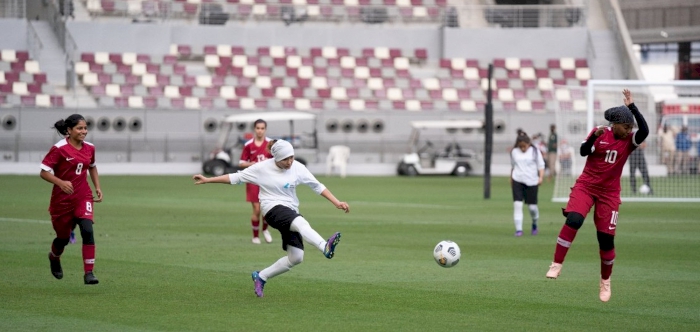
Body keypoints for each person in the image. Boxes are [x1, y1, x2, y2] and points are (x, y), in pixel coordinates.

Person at [192, 139, 349, 298]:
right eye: (285, 159)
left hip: (290, 211)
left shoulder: (298, 167)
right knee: (301, 222)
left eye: (291, 157)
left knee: (296, 257)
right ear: (276, 158)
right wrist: (207, 180)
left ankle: (261, 276)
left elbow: (317, 186)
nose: (289, 162)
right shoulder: (261, 168)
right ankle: (325, 247)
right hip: (271, 209)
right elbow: (235, 178)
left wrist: (336, 202)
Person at [545, 89, 649, 302]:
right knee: (574, 219)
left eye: (631, 127)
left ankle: (605, 281)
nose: (629, 130)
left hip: (609, 194)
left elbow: (645, 130)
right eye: (626, 126)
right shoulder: (600, 133)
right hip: (586, 186)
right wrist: (593, 136)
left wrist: (632, 107)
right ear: (614, 125)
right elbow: (584, 151)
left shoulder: (629, 140)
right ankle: (556, 264)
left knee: (606, 240)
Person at [40, 114, 103, 285]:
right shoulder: (59, 148)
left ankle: (89, 273)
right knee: (63, 238)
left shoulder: (90, 148)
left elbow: (92, 166)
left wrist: (97, 186)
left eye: (85, 128)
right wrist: (60, 182)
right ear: (69, 130)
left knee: (87, 230)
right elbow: (44, 172)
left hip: (83, 196)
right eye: (80, 128)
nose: (84, 131)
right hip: (62, 201)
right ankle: (54, 257)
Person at [239, 119, 273, 244]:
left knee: (266, 209)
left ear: (265, 129)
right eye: (258, 128)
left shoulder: (270, 144)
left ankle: (265, 230)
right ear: (254, 129)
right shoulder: (248, 145)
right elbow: (241, 163)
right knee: (257, 209)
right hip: (253, 180)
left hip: (267, 181)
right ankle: (255, 236)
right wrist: (251, 164)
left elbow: (276, 160)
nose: (260, 130)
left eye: (262, 128)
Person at [510, 133, 545, 236]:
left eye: (524, 146)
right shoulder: (514, 152)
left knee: (532, 208)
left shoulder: (535, 151)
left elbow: (541, 165)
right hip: (517, 180)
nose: (522, 148)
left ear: (529, 144)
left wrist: (541, 177)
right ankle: (519, 230)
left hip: (532, 181)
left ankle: (534, 224)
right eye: (520, 146)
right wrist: (511, 177)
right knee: (517, 204)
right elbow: (513, 166)